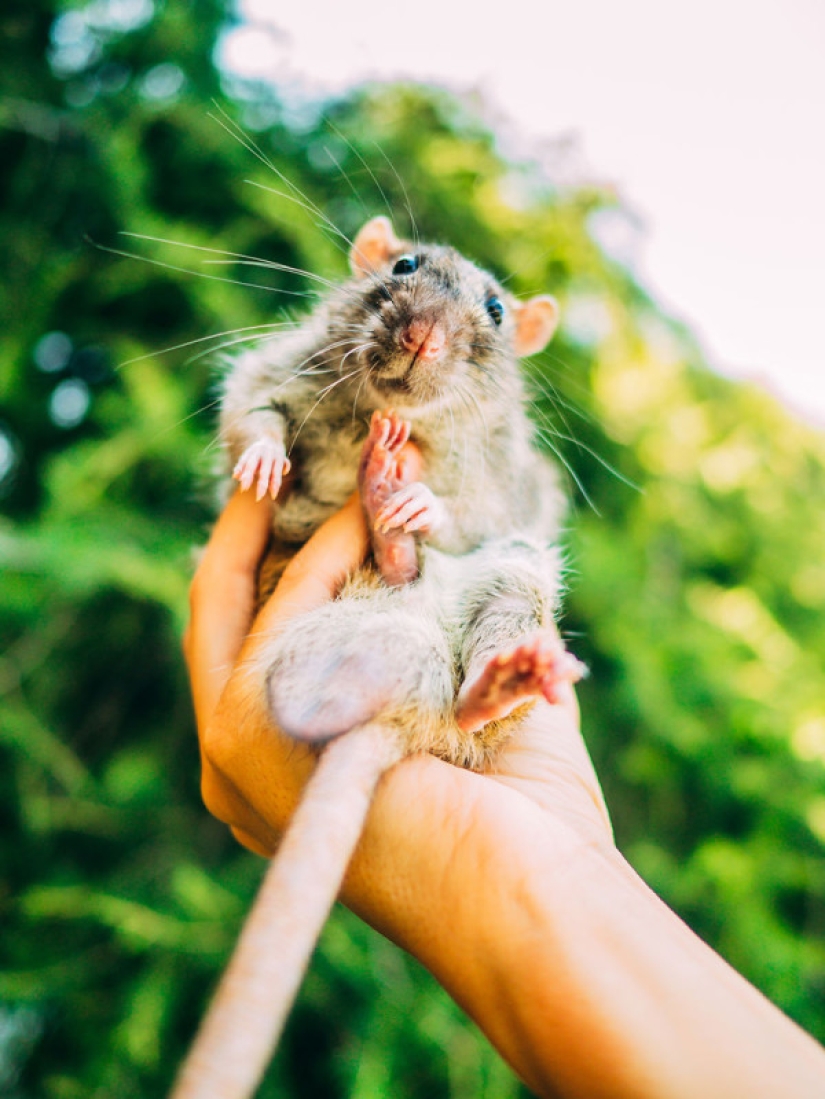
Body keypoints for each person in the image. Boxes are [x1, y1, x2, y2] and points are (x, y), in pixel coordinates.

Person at [184, 488, 825, 1099]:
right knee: (515, 564)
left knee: (525, 563)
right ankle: (455, 689)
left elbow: (490, 515)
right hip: (370, 633)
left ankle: (474, 693)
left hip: (421, 662)